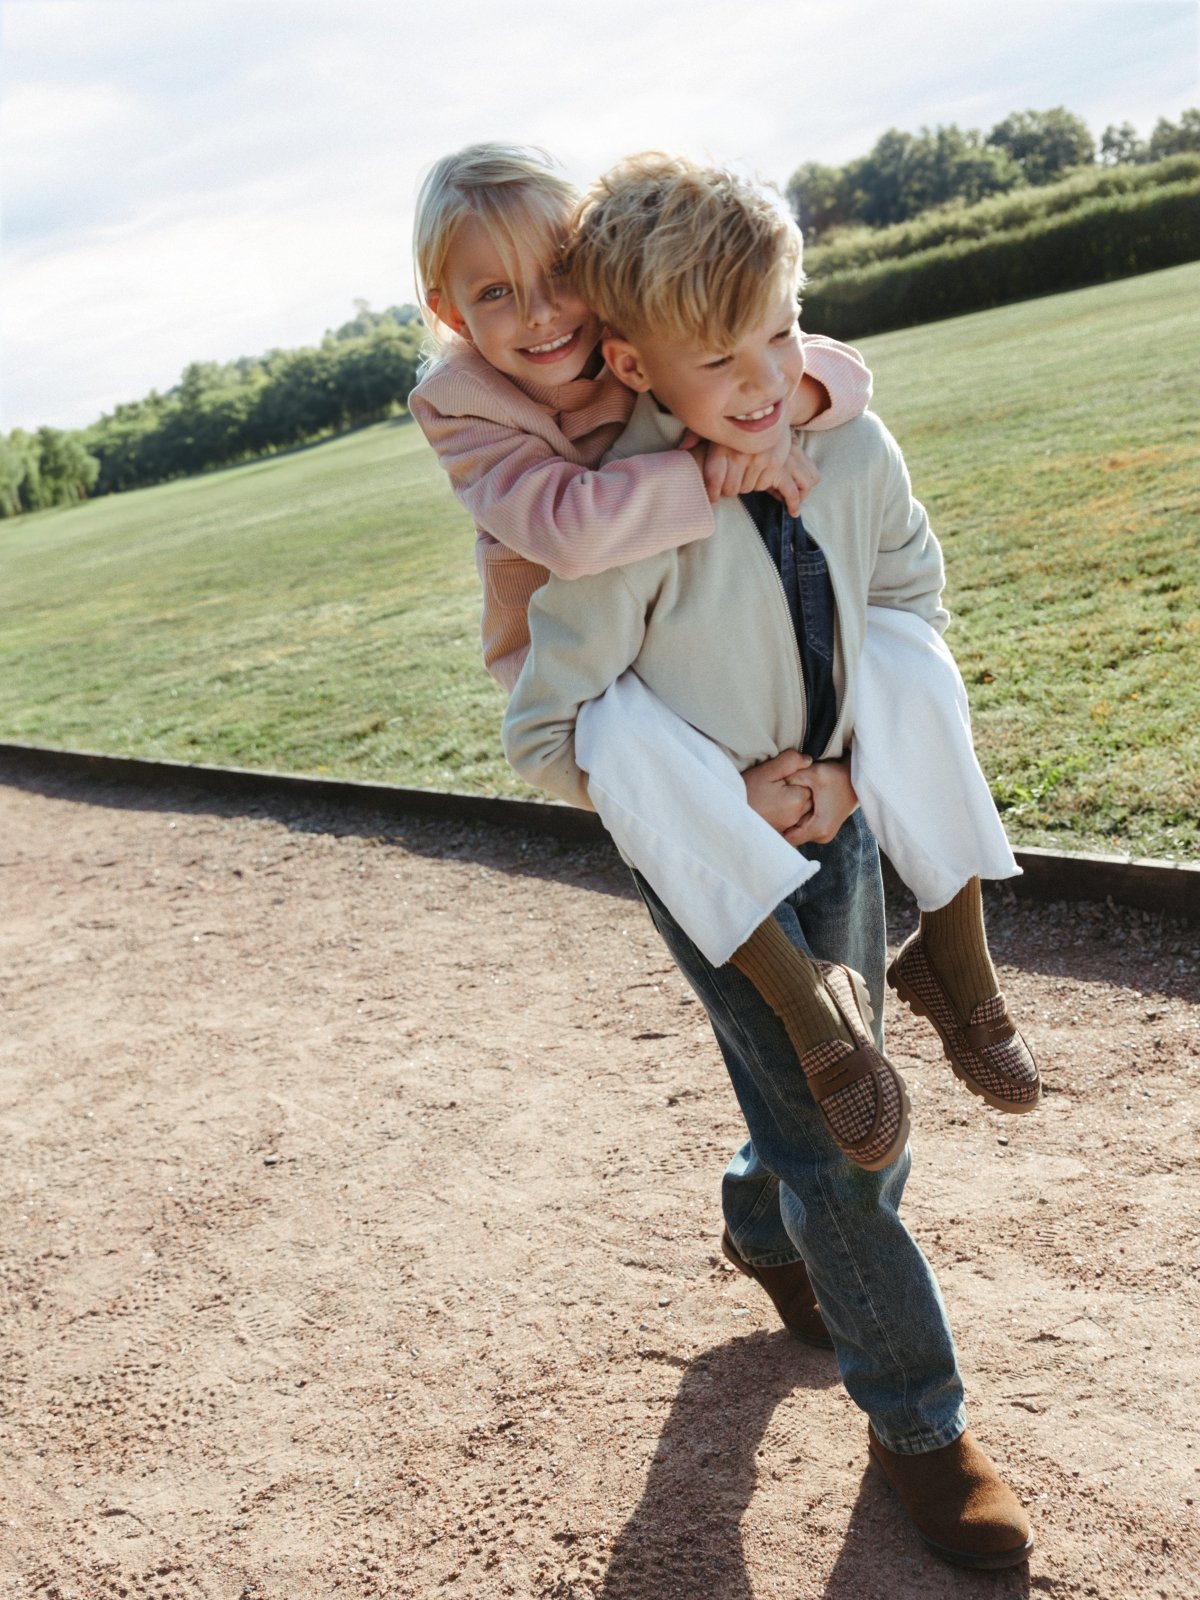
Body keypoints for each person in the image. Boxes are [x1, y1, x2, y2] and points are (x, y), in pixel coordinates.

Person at [502, 151, 1035, 1569]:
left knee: (818, 1128)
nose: (760, 380)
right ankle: (922, 1427)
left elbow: (908, 589)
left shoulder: (846, 441)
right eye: (715, 356)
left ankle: (778, 1201)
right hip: (719, 865)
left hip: (845, 816)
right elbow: (550, 727)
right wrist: (733, 795)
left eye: (782, 335)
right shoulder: (622, 512)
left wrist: (847, 778)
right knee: (839, 1135)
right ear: (630, 360)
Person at [409, 143, 1038, 1175]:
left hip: (729, 639)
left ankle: (958, 953)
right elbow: (567, 530)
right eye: (495, 294)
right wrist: (714, 464)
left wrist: (796, 400)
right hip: (598, 673)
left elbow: (802, 355)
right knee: (626, 739)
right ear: (448, 311)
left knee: (907, 657)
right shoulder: (465, 404)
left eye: (559, 278)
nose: (540, 315)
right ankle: (806, 1002)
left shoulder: (647, 325)